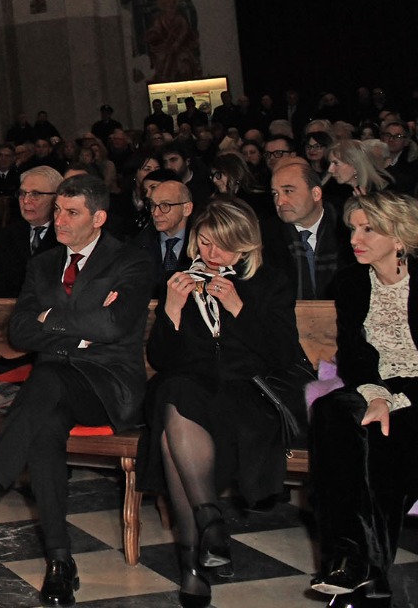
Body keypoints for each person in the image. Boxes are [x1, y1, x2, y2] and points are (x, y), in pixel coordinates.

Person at [0, 175, 155, 606]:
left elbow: (114, 326)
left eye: (71, 213)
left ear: (99, 217)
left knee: (45, 380)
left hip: (107, 386)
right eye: (57, 212)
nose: (59, 221)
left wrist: (53, 319)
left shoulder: (131, 261)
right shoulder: (43, 263)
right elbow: (21, 332)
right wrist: (79, 326)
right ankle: (60, 561)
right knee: (44, 424)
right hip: (53, 389)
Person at [139, 198, 299, 607]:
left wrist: (237, 308)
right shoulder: (179, 279)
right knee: (174, 393)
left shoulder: (270, 281)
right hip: (191, 387)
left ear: (246, 246)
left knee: (171, 432)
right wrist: (172, 312)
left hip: (246, 390)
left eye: (224, 247)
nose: (212, 255)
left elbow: (282, 355)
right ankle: (208, 521)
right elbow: (162, 359)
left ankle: (195, 557)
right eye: (206, 244)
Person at [308, 191, 418, 605]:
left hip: (416, 394)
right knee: (332, 411)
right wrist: (376, 394)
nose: (356, 237)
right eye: (354, 227)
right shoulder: (352, 281)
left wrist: (395, 399)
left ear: (399, 236)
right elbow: (354, 356)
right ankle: (349, 560)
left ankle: (366, 573)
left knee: (375, 441)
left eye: (369, 229)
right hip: (377, 387)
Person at [266, 157, 343, 300]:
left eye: (288, 191)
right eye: (275, 193)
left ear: (316, 194)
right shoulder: (266, 236)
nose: (280, 201)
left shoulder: (346, 229)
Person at [0, 166, 62, 298]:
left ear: (56, 198)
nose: (25, 201)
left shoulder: (66, 236)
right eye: (22, 193)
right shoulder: (8, 235)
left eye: (35, 194)